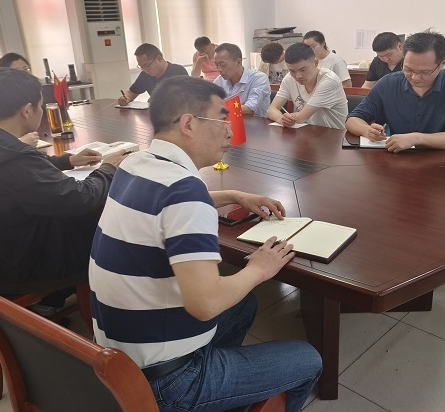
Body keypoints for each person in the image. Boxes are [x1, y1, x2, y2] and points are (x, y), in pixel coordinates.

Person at [89, 76, 321, 412]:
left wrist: (233, 195)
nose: (230, 130)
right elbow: (206, 304)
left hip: (119, 360)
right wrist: (259, 269)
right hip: (165, 382)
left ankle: (221, 396)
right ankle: (203, 391)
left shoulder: (135, 164)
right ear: (188, 124)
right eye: (222, 119)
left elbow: (164, 202)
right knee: (308, 359)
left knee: (243, 305)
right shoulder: (185, 192)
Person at [0, 67, 126, 299]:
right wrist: (109, 169)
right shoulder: (15, 161)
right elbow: (81, 198)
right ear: (27, 110)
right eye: (40, 106)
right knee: (108, 226)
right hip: (16, 267)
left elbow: (14, 175)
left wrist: (67, 160)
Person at [346, 31, 445, 152]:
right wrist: (367, 130)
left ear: (442, 63)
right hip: (397, 158)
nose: (415, 77)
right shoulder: (388, 83)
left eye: (424, 72)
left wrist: (416, 138)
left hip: (442, 161)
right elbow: (353, 119)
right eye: (408, 69)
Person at [267, 42, 348, 130]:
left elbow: (301, 117)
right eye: (292, 71)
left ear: (316, 63)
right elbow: (271, 110)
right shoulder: (289, 78)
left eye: (303, 70)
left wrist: (288, 118)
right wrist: (281, 119)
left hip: (334, 135)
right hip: (307, 132)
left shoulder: (329, 81)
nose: (298, 76)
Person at [212, 42, 271, 117]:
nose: (219, 69)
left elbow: (250, 108)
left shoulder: (259, 78)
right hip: (230, 122)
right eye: (216, 65)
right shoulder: (219, 81)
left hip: (256, 123)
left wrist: (217, 108)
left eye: (223, 64)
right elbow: (208, 101)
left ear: (238, 62)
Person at [119, 44, 188, 105]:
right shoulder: (145, 75)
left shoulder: (178, 71)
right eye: (141, 67)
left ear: (159, 58)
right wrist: (126, 98)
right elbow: (131, 93)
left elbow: (186, 98)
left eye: (146, 65)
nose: (145, 69)